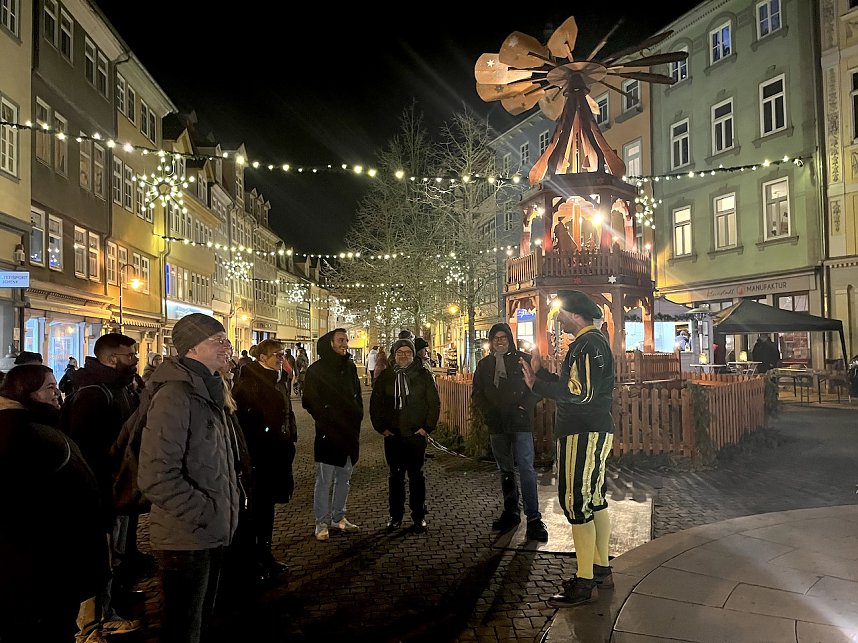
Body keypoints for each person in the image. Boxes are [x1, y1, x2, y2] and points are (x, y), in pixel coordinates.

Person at [138, 313, 240, 643]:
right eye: (218, 341)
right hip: (186, 537)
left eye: (226, 340)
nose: (227, 346)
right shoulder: (176, 396)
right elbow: (156, 476)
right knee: (184, 628)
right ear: (192, 349)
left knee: (202, 621)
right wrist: (206, 512)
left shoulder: (210, 389)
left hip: (210, 531)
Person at [521, 291, 615, 608]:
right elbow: (576, 387)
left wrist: (537, 385)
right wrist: (543, 376)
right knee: (594, 499)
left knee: (576, 502)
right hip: (591, 429)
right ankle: (601, 569)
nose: (558, 319)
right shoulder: (593, 343)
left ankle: (585, 580)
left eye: (561, 313)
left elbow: (580, 393)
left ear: (575, 315)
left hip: (581, 432)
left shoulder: (588, 345)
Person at [0, 365, 108, 643]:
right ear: (27, 393)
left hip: (47, 560)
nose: (57, 393)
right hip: (42, 562)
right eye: (48, 387)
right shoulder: (22, 432)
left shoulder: (36, 427)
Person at [65, 333, 142, 642]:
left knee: (113, 555)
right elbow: (85, 448)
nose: (136, 361)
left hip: (116, 486)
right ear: (112, 359)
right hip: (101, 490)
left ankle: (107, 610)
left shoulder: (118, 388)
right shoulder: (94, 394)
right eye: (131, 356)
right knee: (98, 557)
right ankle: (90, 626)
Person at [472, 323, 547, 542]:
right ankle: (511, 511)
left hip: (519, 422)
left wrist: (525, 406)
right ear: (491, 341)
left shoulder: (522, 359)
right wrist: (488, 412)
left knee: (526, 468)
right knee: (505, 469)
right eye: (496, 338)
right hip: (497, 424)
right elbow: (477, 393)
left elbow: (538, 385)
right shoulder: (485, 365)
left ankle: (533, 518)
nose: (500, 341)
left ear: (510, 339)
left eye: (504, 337)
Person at [232, 339, 296, 581]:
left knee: (267, 510)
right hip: (261, 458)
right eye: (276, 355)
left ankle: (265, 554)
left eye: (281, 354)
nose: (281, 358)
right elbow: (248, 423)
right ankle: (254, 559)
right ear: (262, 358)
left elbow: (286, 412)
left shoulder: (276, 380)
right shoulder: (251, 383)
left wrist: (290, 435)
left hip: (276, 455)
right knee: (256, 511)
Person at [370, 338, 440, 533]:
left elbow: (433, 402)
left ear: (412, 354)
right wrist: (381, 428)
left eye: (407, 352)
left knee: (417, 477)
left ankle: (418, 516)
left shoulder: (423, 375)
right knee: (395, 477)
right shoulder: (386, 377)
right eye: (399, 353)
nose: (403, 356)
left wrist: (426, 428)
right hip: (393, 436)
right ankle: (395, 516)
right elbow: (376, 404)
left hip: (415, 435)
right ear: (394, 355)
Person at [302, 329, 363, 541]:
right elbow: (309, 400)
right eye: (340, 340)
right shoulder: (316, 370)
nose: (345, 343)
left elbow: (357, 396)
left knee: (344, 478)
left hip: (348, 433)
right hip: (328, 433)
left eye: (346, 340)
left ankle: (339, 517)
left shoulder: (350, 367)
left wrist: (356, 417)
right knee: (324, 480)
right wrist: (326, 416)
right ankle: (321, 522)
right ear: (329, 343)